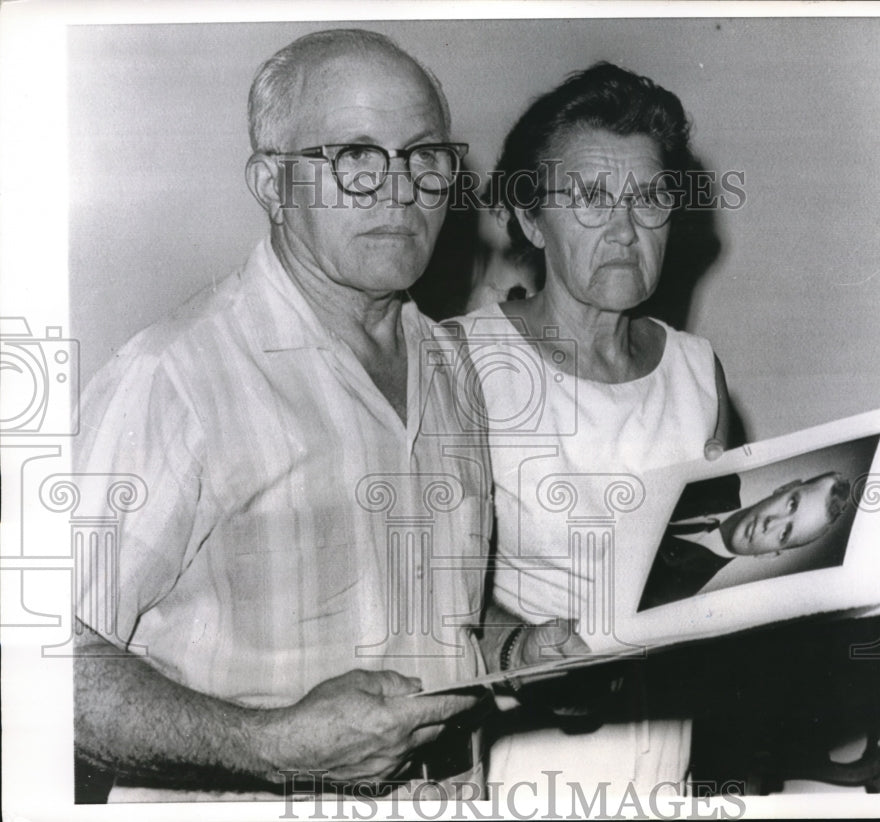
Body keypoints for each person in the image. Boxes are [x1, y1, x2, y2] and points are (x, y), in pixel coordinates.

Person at [71, 28, 566, 803]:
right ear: (271, 184)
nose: (400, 193)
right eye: (356, 159)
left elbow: (436, 606)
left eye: (425, 159)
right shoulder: (176, 375)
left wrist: (521, 646)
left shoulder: (449, 364)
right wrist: (267, 747)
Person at [455, 63, 732, 794]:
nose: (624, 228)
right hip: (518, 750)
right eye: (588, 198)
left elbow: (715, 570)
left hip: (667, 742)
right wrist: (521, 651)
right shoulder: (464, 360)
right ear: (527, 219)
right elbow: (418, 589)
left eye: (649, 198)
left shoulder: (697, 371)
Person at [639, 471, 852, 609]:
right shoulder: (720, 475)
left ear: (769, 555)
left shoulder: (668, 596)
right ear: (784, 488)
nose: (772, 523)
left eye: (784, 534)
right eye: (791, 504)